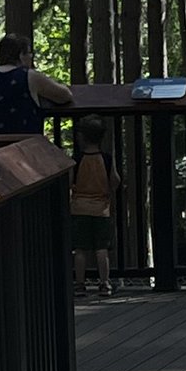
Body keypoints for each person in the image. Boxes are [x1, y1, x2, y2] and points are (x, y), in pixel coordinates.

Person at [0, 36, 74, 134]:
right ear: (21, 55)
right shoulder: (30, 76)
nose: (31, 56)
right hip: (24, 146)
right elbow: (64, 96)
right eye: (29, 52)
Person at [69, 115, 117, 297]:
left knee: (80, 249)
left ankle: (80, 285)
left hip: (79, 208)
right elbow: (115, 180)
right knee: (101, 248)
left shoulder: (77, 159)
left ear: (81, 137)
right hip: (101, 209)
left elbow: (70, 182)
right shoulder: (106, 159)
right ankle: (104, 284)